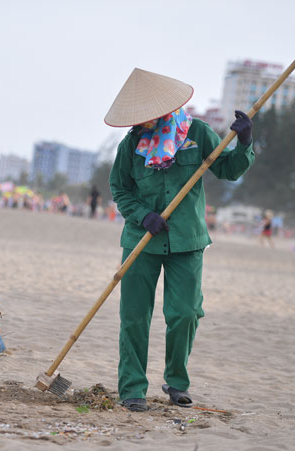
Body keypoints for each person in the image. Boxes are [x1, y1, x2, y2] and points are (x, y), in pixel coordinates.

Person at [106, 68, 255, 411]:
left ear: (160, 109)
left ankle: (177, 382)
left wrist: (245, 142)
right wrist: (143, 215)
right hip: (140, 241)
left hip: (187, 241)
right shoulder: (131, 145)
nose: (139, 122)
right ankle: (132, 388)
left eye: (143, 116)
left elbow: (228, 169)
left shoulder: (197, 133)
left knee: (185, 313)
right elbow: (120, 189)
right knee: (134, 316)